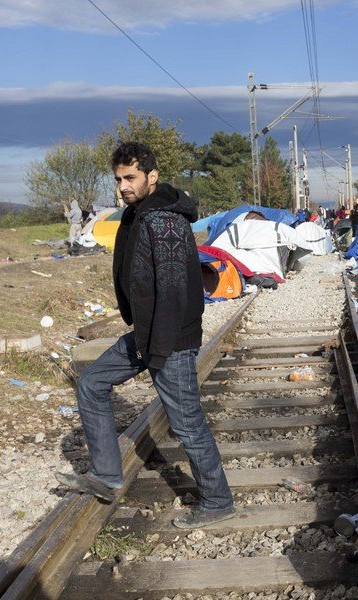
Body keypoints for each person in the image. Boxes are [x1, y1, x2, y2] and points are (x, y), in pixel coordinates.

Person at [55, 142, 235, 529]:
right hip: (147, 333)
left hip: (169, 341)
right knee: (91, 383)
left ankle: (218, 501)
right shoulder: (138, 213)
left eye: (130, 177)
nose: (122, 186)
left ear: (152, 177)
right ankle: (105, 476)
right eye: (118, 179)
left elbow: (172, 291)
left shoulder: (164, 220)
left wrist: (159, 352)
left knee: (187, 423)